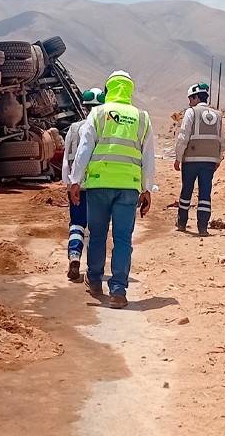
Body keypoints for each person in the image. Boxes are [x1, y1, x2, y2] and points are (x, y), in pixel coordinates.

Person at [68, 71, 155, 309]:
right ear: (129, 90)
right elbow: (148, 157)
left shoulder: (98, 113)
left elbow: (84, 149)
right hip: (128, 188)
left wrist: (75, 181)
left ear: (108, 90)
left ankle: (95, 281)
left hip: (98, 185)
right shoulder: (142, 117)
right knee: (123, 239)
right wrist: (147, 189)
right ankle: (118, 291)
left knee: (97, 235)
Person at [60, 87, 105, 282]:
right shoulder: (105, 129)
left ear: (84, 107)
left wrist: (68, 183)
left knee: (77, 224)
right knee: (97, 227)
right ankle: (93, 269)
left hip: (77, 185)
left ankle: (74, 256)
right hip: (99, 186)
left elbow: (66, 158)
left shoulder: (74, 128)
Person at [174, 82, 225, 236]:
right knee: (205, 193)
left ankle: (182, 222)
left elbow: (183, 136)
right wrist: (218, 158)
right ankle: (203, 227)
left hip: (191, 159)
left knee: (186, 190)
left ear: (196, 97)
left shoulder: (191, 112)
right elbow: (222, 140)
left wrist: (178, 157)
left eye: (191, 98)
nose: (190, 102)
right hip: (210, 160)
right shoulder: (218, 115)